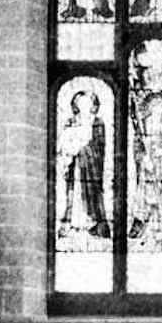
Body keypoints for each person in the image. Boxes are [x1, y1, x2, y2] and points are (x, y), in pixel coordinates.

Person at [128, 57, 162, 243]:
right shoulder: (142, 125)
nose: (157, 108)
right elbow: (137, 144)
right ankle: (143, 223)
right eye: (154, 106)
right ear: (150, 108)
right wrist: (143, 157)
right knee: (146, 193)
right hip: (148, 165)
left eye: (161, 106)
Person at [58, 90, 110, 241]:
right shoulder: (70, 121)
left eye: (88, 103)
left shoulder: (97, 122)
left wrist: (83, 148)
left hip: (91, 167)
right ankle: (72, 223)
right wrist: (70, 150)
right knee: (73, 193)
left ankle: (93, 223)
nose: (84, 106)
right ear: (76, 104)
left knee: (92, 193)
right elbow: (62, 143)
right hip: (74, 165)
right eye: (81, 103)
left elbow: (99, 145)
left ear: (93, 105)